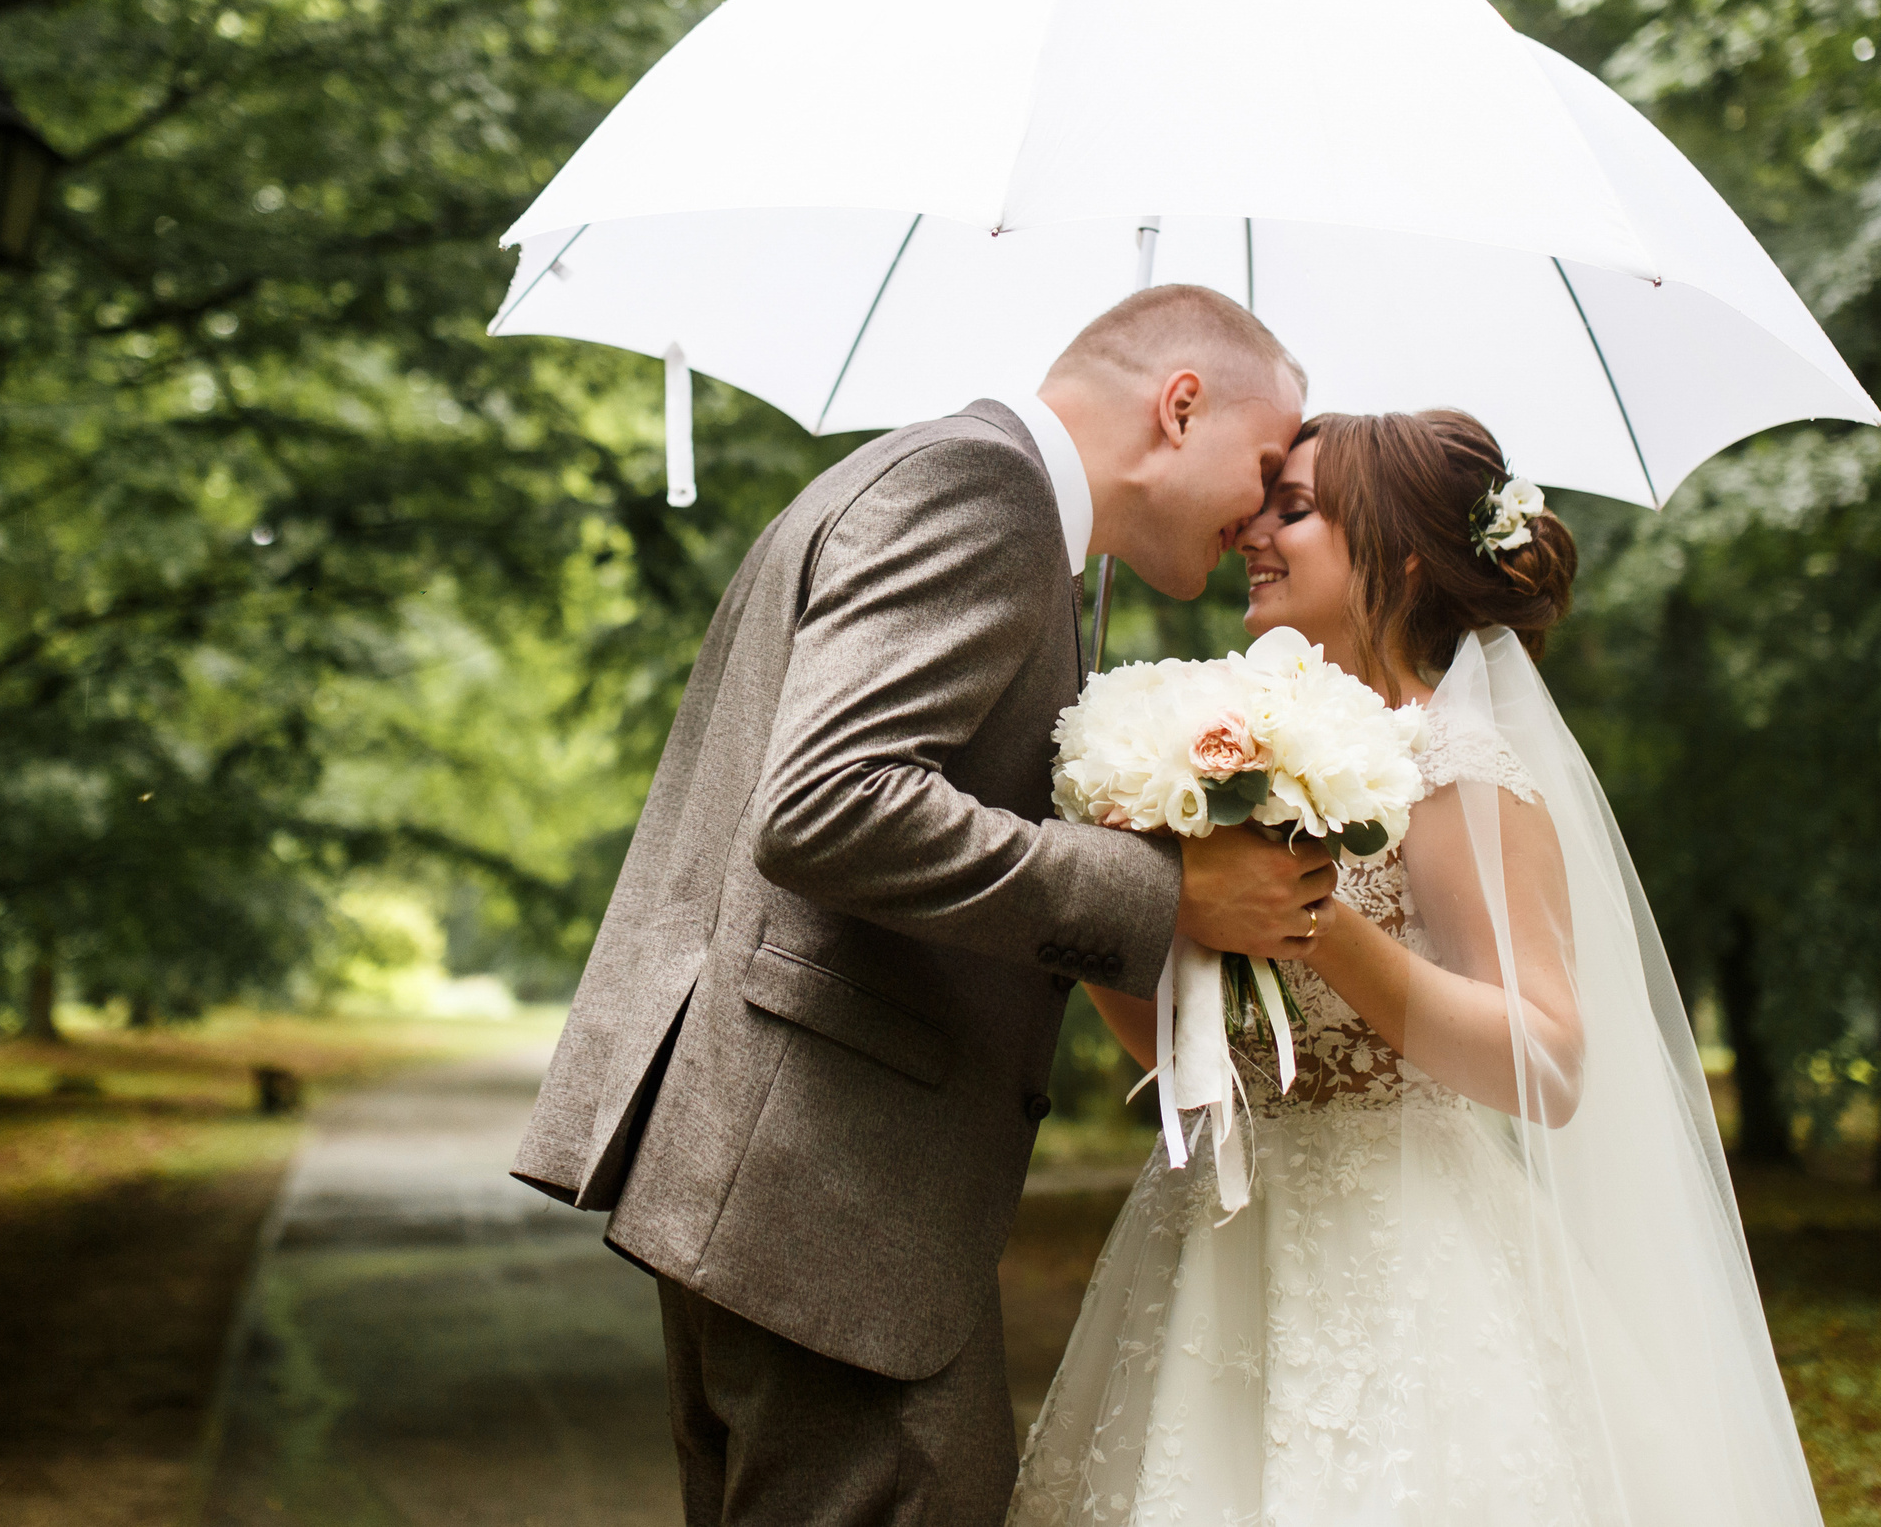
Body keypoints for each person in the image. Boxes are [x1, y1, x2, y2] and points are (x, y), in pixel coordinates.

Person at [513, 284, 1332, 1526]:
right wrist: (1163, 893)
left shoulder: (931, 479)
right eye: (1266, 465)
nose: (1262, 513)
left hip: (780, 1171)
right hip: (825, 1184)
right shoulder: (980, 492)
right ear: (1178, 408)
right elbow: (827, 806)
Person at [1011, 410, 1824, 1527]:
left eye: (1293, 511)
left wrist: (1324, 925)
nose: (1252, 531)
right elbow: (1181, 1050)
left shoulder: (1454, 763)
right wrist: (1125, 889)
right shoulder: (1234, 762)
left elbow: (1546, 1059)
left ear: (1395, 553)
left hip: (1405, 1257)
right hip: (1210, 1240)